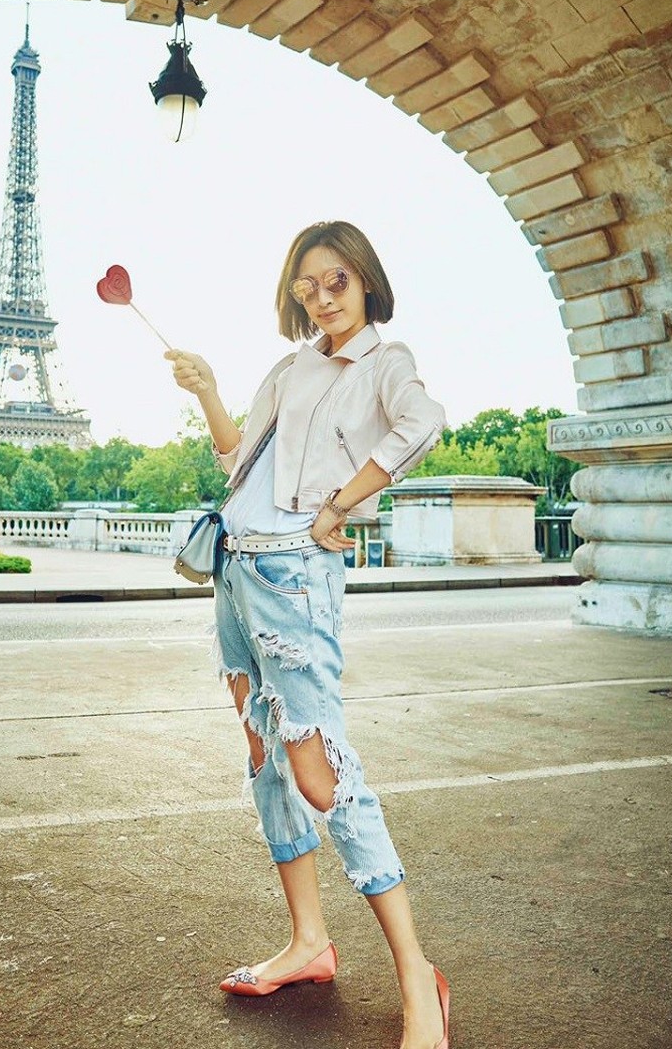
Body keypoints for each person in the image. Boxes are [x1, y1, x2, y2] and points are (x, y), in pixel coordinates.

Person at [165, 221, 450, 1049]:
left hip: (295, 574)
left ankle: (417, 977)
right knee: (264, 756)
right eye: (307, 286)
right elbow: (236, 460)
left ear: (366, 282)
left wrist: (340, 503)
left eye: (337, 282)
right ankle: (308, 942)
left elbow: (423, 424)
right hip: (236, 568)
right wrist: (207, 390)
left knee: (322, 773)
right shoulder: (289, 369)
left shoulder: (386, 364)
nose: (322, 298)